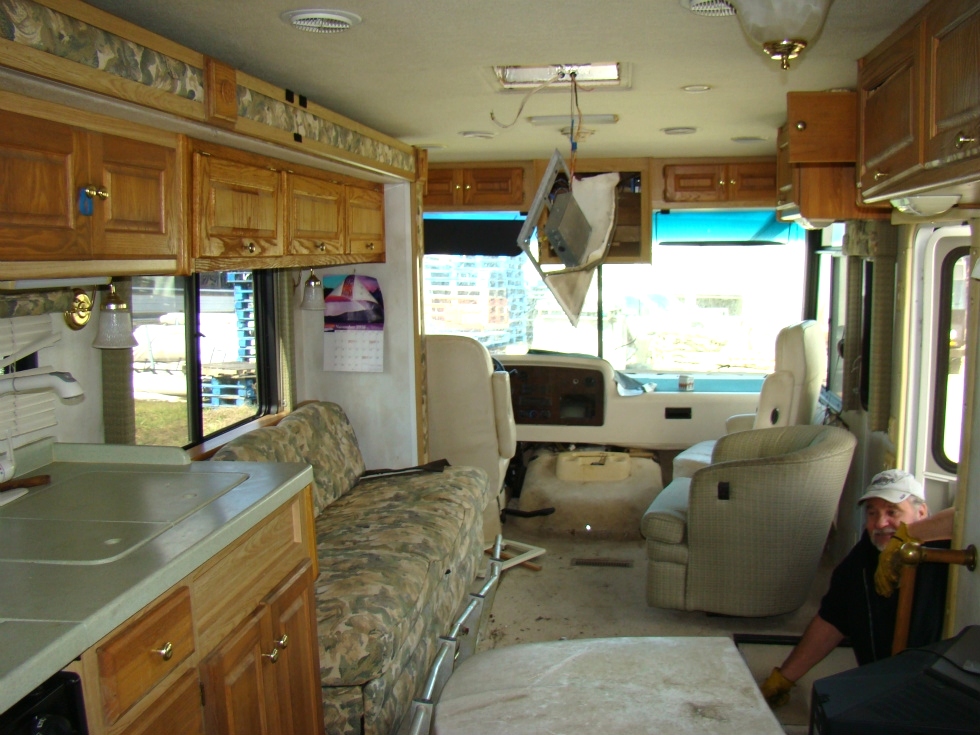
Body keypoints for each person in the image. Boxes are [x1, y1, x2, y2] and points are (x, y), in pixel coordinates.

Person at [760, 469, 955, 707]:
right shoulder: (859, 563)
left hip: (938, 690)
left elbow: (964, 515)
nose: (880, 523)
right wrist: (783, 679)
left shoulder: (945, 548)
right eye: (872, 513)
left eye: (892, 512)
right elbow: (832, 621)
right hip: (881, 687)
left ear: (921, 512)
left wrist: (906, 537)